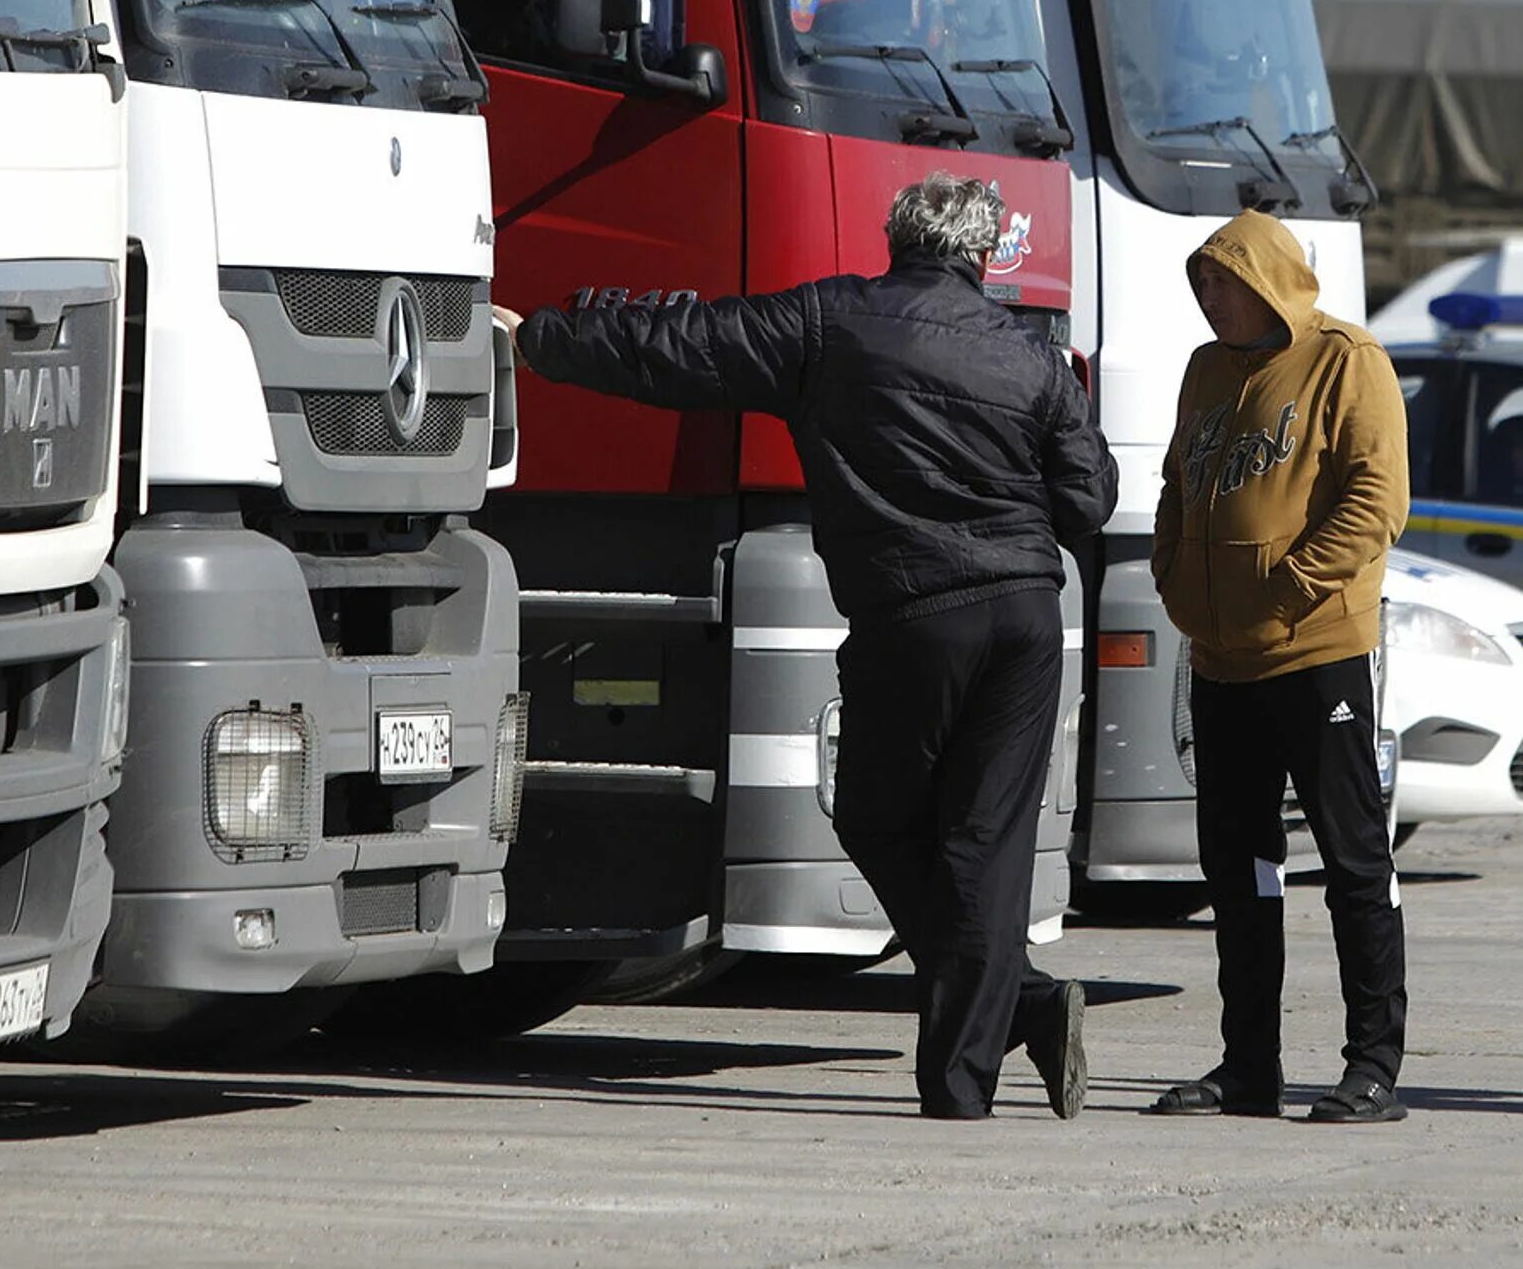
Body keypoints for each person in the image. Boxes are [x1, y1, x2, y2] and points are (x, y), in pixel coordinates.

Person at [494, 173, 1118, 1120]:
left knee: (875, 820)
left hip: (913, 614)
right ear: (984, 256)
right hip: (1025, 620)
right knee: (985, 845)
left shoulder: (829, 322)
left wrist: (543, 339)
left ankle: (967, 1076)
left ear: (895, 238)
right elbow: (1089, 501)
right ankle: (1010, 1014)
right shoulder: (1030, 358)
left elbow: (682, 346)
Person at [1149, 209, 1412, 1123]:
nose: (1207, 295)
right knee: (1241, 869)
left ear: (1264, 278)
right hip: (1223, 667)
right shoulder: (1204, 371)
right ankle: (1247, 1065)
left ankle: (1373, 1066)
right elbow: (1178, 487)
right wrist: (1174, 575)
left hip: (1317, 656)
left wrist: (1289, 587)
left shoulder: (1347, 359)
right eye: (1203, 282)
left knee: (1351, 863)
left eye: (1220, 280)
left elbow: (1378, 498)